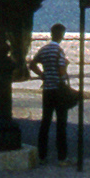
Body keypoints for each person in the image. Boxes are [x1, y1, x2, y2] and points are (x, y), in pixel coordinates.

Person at [29, 23, 74, 165]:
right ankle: (62, 157)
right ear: (61, 35)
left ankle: (42, 155)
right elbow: (61, 70)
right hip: (59, 90)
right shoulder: (58, 51)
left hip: (47, 89)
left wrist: (43, 75)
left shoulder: (45, 49)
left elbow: (32, 64)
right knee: (61, 124)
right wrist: (65, 67)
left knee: (45, 122)